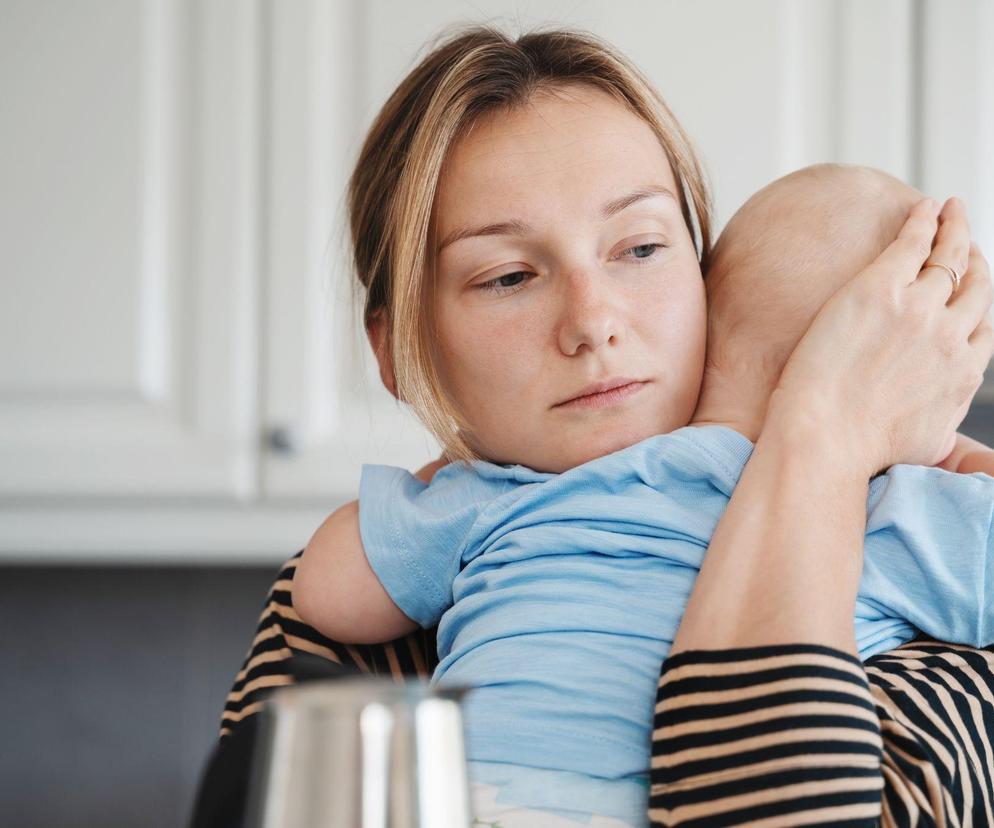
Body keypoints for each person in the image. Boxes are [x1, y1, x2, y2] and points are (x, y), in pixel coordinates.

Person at [285, 24, 993, 827]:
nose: (594, 322)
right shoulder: (890, 520)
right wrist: (950, 457)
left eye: (643, 247)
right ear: (398, 350)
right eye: (510, 275)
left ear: (705, 282)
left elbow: (329, 589)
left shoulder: (484, 508)